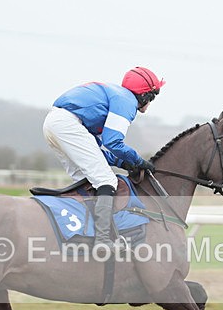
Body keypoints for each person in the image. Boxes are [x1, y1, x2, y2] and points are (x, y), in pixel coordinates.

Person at [43, 66, 165, 253]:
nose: (151, 102)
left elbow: (99, 150)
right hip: (67, 125)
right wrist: (137, 161)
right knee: (106, 180)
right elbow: (113, 142)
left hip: (55, 123)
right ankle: (102, 240)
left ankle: (84, 233)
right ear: (144, 95)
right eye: (153, 96)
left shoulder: (115, 96)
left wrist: (122, 163)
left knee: (86, 181)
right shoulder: (127, 102)